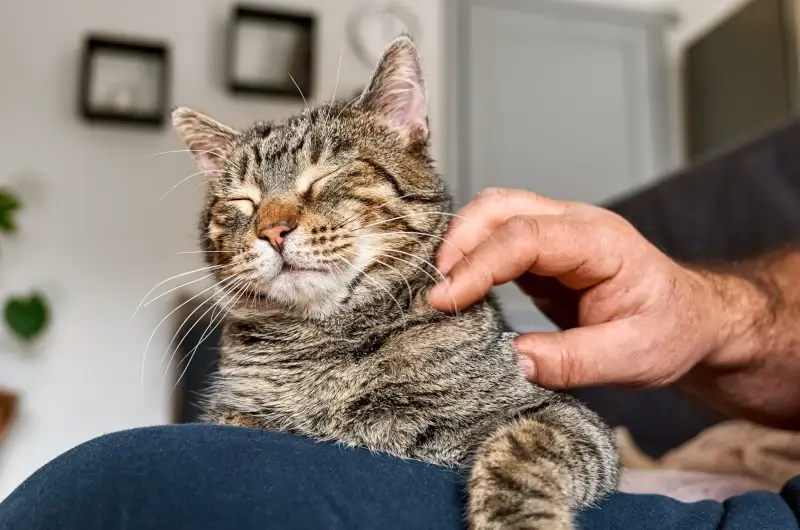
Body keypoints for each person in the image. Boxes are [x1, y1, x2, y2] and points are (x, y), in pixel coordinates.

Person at [1, 188, 799, 530]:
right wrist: (725, 317)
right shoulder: (251, 339)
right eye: (239, 209)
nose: (273, 225)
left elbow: (575, 435)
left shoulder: (442, 322)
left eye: (328, 187)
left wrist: (520, 493)